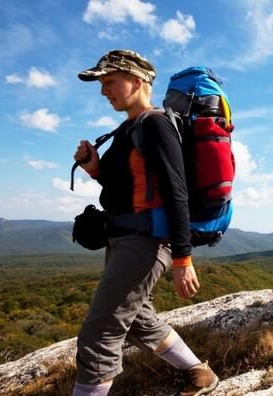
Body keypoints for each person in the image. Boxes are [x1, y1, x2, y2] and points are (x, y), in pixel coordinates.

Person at [72, 49, 218, 396]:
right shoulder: (128, 129)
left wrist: (183, 258)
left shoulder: (156, 124)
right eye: (102, 84)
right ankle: (200, 373)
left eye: (110, 82)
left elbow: (175, 191)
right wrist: (95, 167)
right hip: (124, 236)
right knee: (138, 319)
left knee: (100, 331)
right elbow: (127, 188)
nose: (104, 91)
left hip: (147, 241)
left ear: (137, 81)